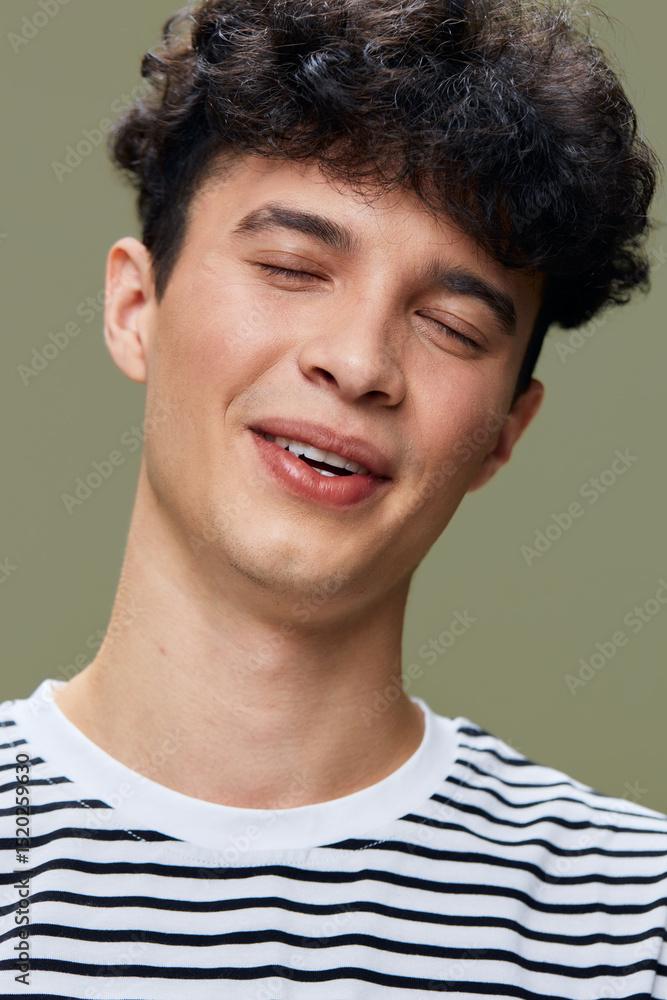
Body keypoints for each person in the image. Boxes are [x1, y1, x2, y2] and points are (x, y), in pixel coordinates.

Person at [1, 0, 665, 996]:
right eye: (290, 267)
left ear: (504, 433)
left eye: (448, 323)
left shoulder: (628, 920)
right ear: (135, 308)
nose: (357, 364)